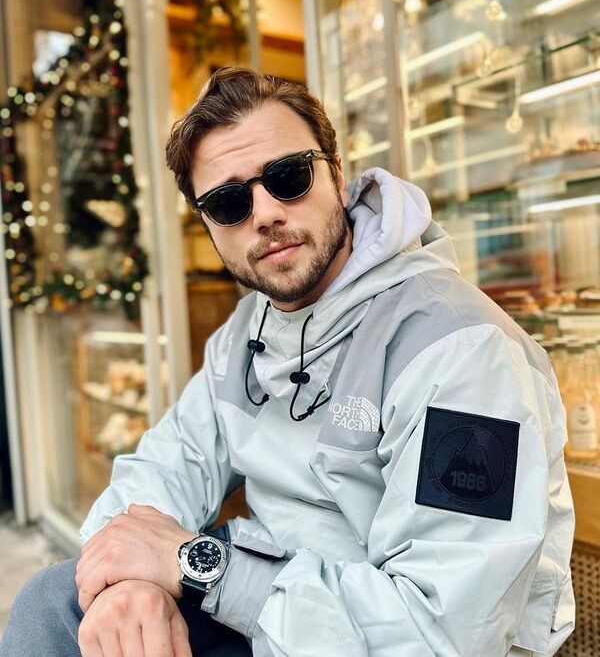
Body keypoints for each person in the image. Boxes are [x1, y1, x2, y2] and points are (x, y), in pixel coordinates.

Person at [1, 67, 575, 657]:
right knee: (57, 607)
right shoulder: (248, 328)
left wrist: (198, 567)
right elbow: (170, 462)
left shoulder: (461, 350)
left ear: (337, 175)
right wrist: (127, 582)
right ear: (208, 226)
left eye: (288, 177)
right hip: (269, 609)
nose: (265, 213)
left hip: (377, 635)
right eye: (228, 202)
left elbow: (443, 628)